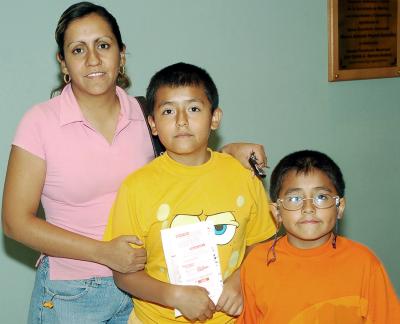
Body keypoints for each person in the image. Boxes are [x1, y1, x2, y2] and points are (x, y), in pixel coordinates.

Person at [1, 2, 268, 323]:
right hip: (71, 292)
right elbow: (14, 222)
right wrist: (102, 252)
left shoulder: (144, 113)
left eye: (103, 45)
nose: (93, 59)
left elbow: (185, 157)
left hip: (146, 290)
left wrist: (230, 150)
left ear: (121, 53)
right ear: (63, 62)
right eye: (77, 50)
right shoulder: (40, 122)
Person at [103, 62, 276, 323]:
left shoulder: (243, 175)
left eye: (194, 109)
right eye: (169, 111)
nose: (182, 121)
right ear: (152, 123)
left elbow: (262, 243)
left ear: (214, 118)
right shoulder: (136, 188)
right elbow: (123, 274)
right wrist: (174, 295)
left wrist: (240, 280)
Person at [237, 150, 400, 323]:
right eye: (294, 199)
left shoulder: (365, 263)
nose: (308, 208)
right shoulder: (257, 263)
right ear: (276, 211)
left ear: (340, 207)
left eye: (321, 197)